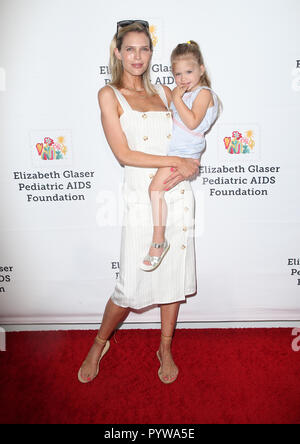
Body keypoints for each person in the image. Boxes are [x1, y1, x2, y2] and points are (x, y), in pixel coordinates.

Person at [78, 21, 200, 385]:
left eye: (144, 49)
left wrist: (188, 162)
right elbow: (124, 153)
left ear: (151, 53)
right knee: (129, 285)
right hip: (139, 198)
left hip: (175, 193)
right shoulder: (108, 95)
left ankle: (164, 347)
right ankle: (100, 342)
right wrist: (175, 162)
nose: (137, 56)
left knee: (173, 278)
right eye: (130, 49)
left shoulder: (166, 92)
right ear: (117, 52)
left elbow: (191, 134)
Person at [141, 40, 220, 271]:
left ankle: (158, 241)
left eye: (189, 71)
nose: (183, 78)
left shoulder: (204, 93)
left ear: (201, 69)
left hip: (182, 154)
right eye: (177, 74)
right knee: (157, 192)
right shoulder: (183, 93)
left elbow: (193, 122)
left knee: (155, 190)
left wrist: (176, 98)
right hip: (173, 153)